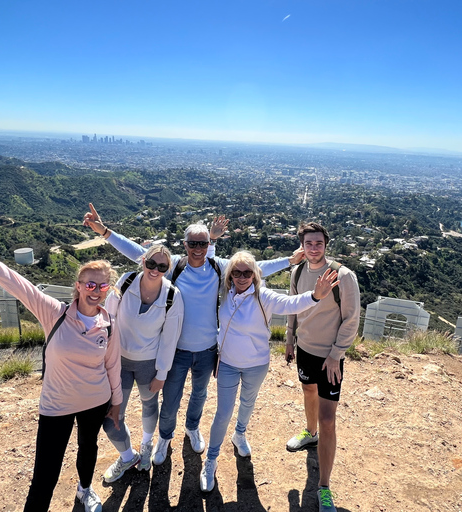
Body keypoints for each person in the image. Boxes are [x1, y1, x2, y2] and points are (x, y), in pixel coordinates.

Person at [83, 203, 303, 466]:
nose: (198, 249)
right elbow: (140, 254)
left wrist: (288, 261)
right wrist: (105, 232)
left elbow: (254, 268)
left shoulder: (218, 267)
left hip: (208, 348)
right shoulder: (174, 265)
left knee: (199, 394)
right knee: (171, 397)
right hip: (176, 348)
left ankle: (192, 427)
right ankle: (164, 437)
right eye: (193, 244)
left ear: (208, 244)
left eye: (203, 243)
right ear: (185, 245)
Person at [0, 213, 122, 512]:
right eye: (90, 285)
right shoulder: (55, 313)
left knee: (88, 449)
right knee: (45, 473)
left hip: (96, 400)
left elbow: (112, 365)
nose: (96, 291)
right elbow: (18, 284)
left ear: (108, 290)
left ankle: (85, 490)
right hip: (57, 405)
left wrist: (116, 403)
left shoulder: (109, 322)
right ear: (78, 286)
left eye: (103, 287)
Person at [199, 251, 339, 492]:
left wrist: (315, 296)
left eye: (247, 272)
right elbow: (207, 261)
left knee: (247, 403)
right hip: (229, 364)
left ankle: (240, 434)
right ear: (230, 274)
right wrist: (211, 240)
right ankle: (211, 459)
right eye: (237, 272)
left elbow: (290, 304)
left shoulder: (263, 296)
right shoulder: (223, 294)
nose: (242, 277)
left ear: (255, 275)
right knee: (223, 412)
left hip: (256, 364)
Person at [284, 222, 361, 512]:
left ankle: (324, 486)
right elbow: (294, 307)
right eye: (308, 243)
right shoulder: (298, 272)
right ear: (302, 246)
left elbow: (351, 319)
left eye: (318, 243)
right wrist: (290, 340)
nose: (313, 248)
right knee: (307, 390)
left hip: (330, 356)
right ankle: (309, 432)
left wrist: (336, 354)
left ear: (326, 245)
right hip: (304, 348)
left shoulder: (343, 275)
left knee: (329, 418)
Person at [100, 244, 184, 482]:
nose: (155, 270)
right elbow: (108, 319)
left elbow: (170, 337)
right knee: (112, 416)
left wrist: (162, 373)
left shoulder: (171, 296)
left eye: (162, 266)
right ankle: (128, 456)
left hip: (149, 363)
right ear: (143, 261)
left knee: (149, 405)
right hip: (119, 361)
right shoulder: (126, 282)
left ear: (167, 270)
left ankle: (146, 446)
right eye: (151, 263)